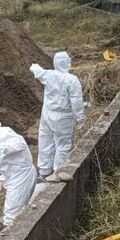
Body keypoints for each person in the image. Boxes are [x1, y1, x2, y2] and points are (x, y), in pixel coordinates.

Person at [29, 52, 85, 182]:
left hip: (47, 115)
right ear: (67, 62)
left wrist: (34, 66)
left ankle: (44, 171)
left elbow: (37, 71)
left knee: (45, 141)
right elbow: (76, 102)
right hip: (63, 117)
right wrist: (80, 118)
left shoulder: (49, 75)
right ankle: (58, 172)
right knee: (63, 144)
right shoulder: (72, 80)